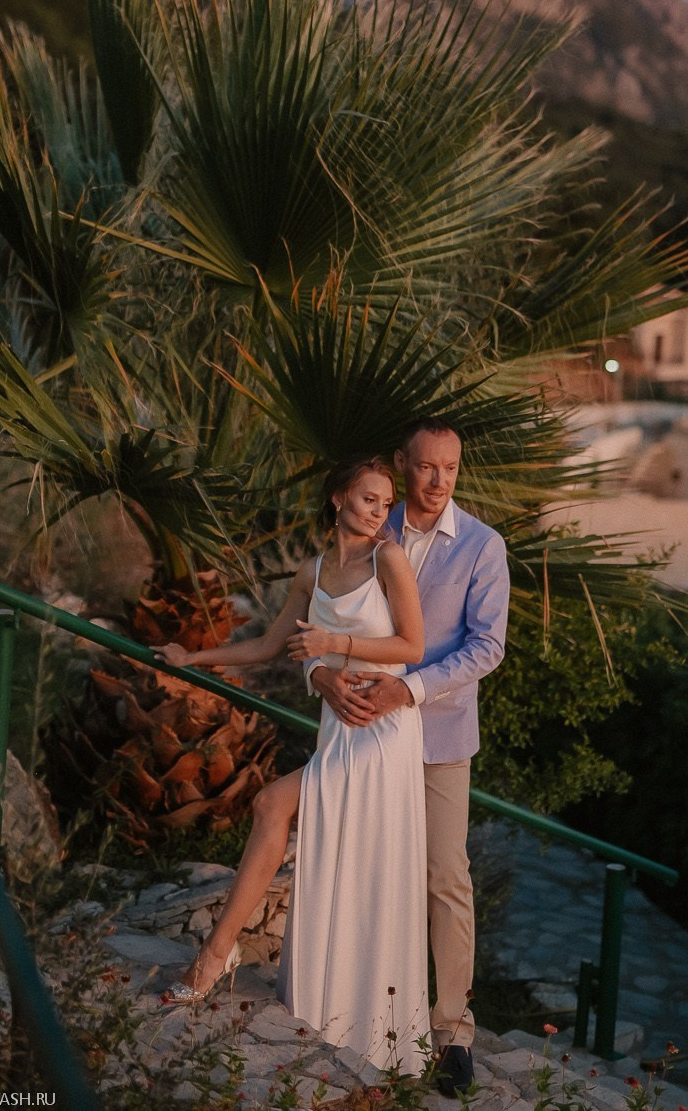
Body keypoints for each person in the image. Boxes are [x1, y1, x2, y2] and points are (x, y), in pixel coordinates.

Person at [153, 456, 430, 1074]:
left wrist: (336, 644)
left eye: (385, 503)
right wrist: (191, 659)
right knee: (305, 829)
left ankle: (213, 959)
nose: (377, 511)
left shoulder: (390, 560)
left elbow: (413, 646)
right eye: (366, 498)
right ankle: (338, 1006)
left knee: (271, 802)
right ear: (337, 498)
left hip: (381, 731)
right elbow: (269, 644)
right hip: (339, 732)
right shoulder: (312, 571)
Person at [307, 419, 510, 1097]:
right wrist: (324, 677)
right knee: (360, 865)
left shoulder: (483, 546)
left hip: (438, 737)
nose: (439, 479)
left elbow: (487, 647)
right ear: (403, 464)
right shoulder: (369, 520)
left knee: (444, 876)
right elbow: (321, 624)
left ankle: (451, 1031)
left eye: (450, 468)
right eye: (426, 466)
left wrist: (410, 688)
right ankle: (360, 1008)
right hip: (361, 730)